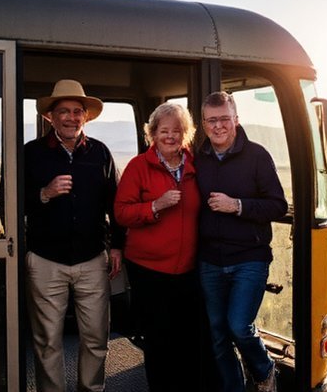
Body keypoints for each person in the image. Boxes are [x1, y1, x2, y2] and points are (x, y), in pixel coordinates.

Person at [24, 79, 124, 392]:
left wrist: (118, 247)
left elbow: (116, 204)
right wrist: (44, 193)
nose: (71, 117)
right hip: (44, 260)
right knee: (47, 341)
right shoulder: (30, 153)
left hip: (93, 259)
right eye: (63, 111)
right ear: (49, 117)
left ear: (86, 117)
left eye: (77, 111)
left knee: (96, 338)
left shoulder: (100, 153)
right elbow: (7, 199)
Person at [196, 91, 288, 392]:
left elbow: (277, 205)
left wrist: (237, 205)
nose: (218, 126)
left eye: (224, 118)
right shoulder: (199, 158)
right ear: (203, 123)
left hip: (250, 257)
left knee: (239, 326)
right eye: (212, 120)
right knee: (218, 334)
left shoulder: (258, 156)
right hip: (210, 259)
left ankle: (264, 370)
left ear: (236, 119)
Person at [114, 102, 205, 391]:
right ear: (152, 133)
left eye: (177, 130)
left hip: (189, 270)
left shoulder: (196, 166)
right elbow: (121, 212)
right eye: (164, 130)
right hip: (148, 270)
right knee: (159, 340)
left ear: (186, 134)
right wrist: (155, 206)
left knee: (188, 340)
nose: (170, 136)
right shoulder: (138, 167)